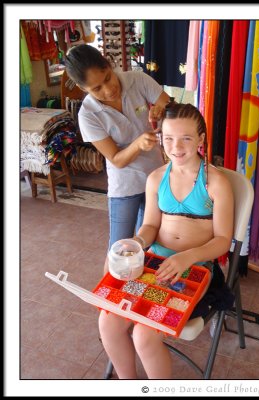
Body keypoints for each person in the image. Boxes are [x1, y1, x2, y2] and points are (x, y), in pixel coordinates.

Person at [98, 102, 235, 379]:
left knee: (144, 334)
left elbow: (222, 240)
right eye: (169, 138)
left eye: (186, 138)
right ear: (160, 138)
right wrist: (137, 241)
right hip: (154, 265)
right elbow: (150, 225)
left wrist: (186, 257)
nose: (176, 146)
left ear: (201, 139)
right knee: (108, 321)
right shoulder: (156, 178)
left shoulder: (215, 183)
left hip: (196, 269)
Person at [64, 44, 171, 272]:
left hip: (155, 177)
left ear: (109, 65)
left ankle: (142, 299)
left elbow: (167, 103)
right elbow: (117, 159)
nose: (108, 90)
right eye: (96, 89)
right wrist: (138, 143)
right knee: (118, 250)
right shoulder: (88, 115)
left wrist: (160, 109)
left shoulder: (137, 80)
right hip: (124, 185)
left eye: (107, 78)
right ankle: (107, 306)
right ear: (84, 89)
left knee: (150, 245)